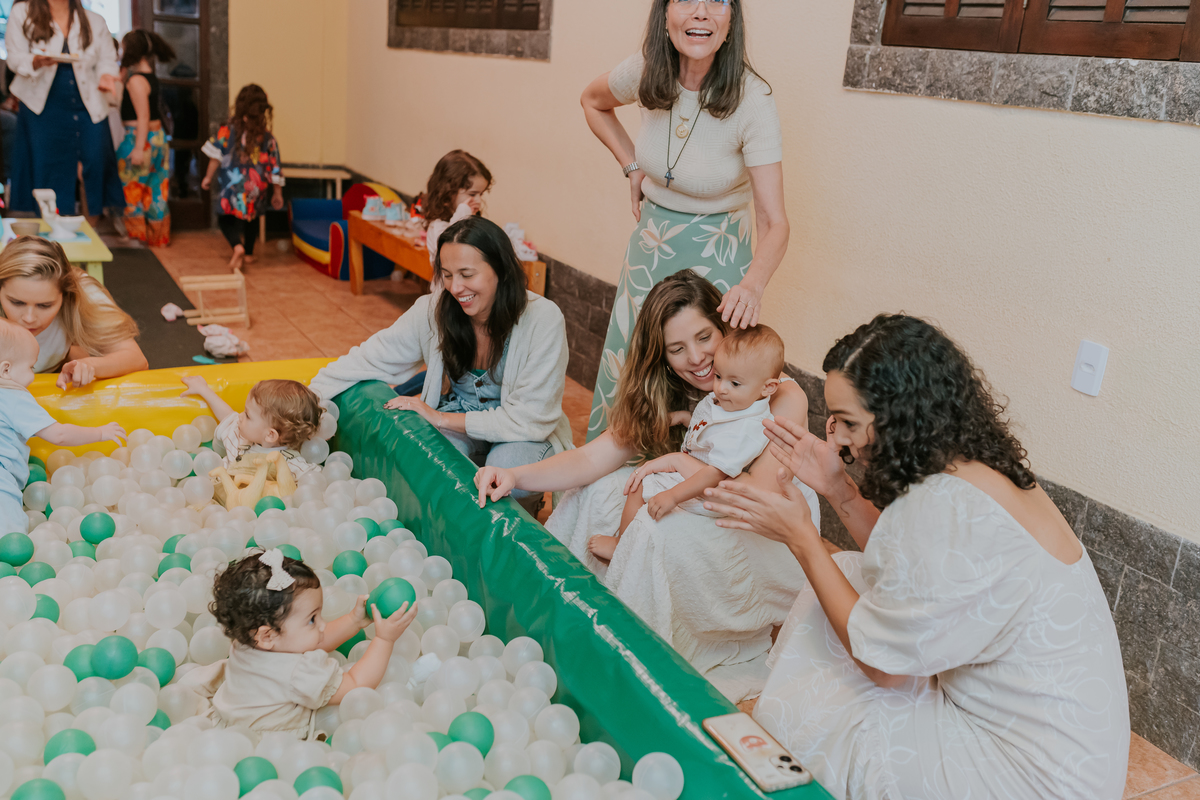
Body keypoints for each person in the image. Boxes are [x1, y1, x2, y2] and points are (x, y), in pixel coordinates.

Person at [702, 314, 1129, 799]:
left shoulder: (946, 508)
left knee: (827, 706)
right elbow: (914, 572)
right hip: (1081, 753)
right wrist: (839, 489)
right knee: (846, 574)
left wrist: (802, 537)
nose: (836, 436)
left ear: (900, 418)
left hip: (1031, 778)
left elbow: (884, 665)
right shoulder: (975, 468)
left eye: (848, 422)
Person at [475, 271, 817, 700]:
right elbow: (589, 459)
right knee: (602, 490)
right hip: (706, 499)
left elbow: (752, 498)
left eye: (704, 337)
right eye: (677, 348)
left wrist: (675, 460)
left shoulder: (776, 395)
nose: (696, 359)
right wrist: (514, 476)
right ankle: (568, 614)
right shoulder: (680, 390)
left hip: (758, 528)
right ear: (663, 355)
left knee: (651, 530)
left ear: (725, 327)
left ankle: (630, 657)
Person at [581, 0, 789, 439]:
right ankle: (608, 490)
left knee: (709, 379)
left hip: (721, 255)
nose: (700, 13)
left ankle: (683, 492)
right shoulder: (646, 70)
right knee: (634, 368)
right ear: (665, 15)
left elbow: (776, 221)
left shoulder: (752, 99)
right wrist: (631, 165)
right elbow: (593, 101)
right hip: (651, 248)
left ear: (730, 22)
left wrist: (752, 285)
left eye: (716, 1)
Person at [309, 216, 571, 515]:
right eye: (447, 274)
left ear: (500, 270)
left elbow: (530, 418)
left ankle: (522, 520)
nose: (456, 287)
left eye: (467, 274)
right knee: (429, 462)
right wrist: (311, 395)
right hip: (460, 416)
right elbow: (372, 356)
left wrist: (440, 419)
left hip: (522, 434)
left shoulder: (543, 320)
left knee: (506, 471)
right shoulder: (434, 310)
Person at [590, 324, 785, 561]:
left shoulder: (748, 428)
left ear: (768, 387)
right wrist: (683, 418)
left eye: (734, 383)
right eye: (719, 376)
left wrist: (673, 495)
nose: (721, 389)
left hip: (707, 491)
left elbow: (714, 475)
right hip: (697, 474)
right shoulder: (737, 402)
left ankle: (620, 546)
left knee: (641, 484)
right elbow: (713, 427)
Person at [183, 549, 418, 740]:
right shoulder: (298, 674)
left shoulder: (248, 639)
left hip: (229, 723)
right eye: (312, 619)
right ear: (267, 636)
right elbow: (356, 684)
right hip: (270, 742)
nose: (323, 625)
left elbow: (315, 640)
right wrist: (384, 639)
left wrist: (354, 620)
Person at [0, 319, 126, 534]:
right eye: (31, 367)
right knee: (11, 536)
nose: (33, 375)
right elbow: (58, 434)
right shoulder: (13, 396)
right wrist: (100, 432)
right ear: (6, 370)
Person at [5, 0, 124, 223]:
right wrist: (36, 61)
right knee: (47, 170)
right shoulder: (23, 12)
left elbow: (108, 61)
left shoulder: (95, 20)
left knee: (95, 164)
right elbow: (14, 57)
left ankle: (91, 235)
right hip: (42, 108)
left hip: (90, 106)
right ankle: (51, 242)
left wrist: (108, 76)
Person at [0, 237, 147, 389]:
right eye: (16, 303)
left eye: (44, 305)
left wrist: (90, 365)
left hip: (53, 379)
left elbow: (136, 358)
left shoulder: (83, 292)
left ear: (65, 295)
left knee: (79, 355)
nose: (29, 318)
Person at [180, 376, 322, 507]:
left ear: (270, 435)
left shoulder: (290, 464)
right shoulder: (239, 436)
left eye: (247, 415)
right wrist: (203, 389)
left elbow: (314, 482)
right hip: (218, 504)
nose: (240, 416)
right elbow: (227, 415)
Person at [201, 84, 284, 271]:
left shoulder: (227, 130)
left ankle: (236, 246)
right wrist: (277, 194)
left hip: (232, 186)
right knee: (251, 218)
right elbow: (275, 168)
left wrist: (207, 177)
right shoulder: (268, 138)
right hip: (256, 188)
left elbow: (216, 156)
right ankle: (248, 254)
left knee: (224, 218)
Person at [116, 29, 175, 246]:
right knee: (156, 190)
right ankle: (158, 239)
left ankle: (136, 241)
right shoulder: (151, 77)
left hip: (139, 139)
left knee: (132, 192)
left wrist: (139, 148)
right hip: (158, 139)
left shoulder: (136, 81)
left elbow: (143, 116)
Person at [420, 149, 492, 268]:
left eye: (481, 194)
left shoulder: (467, 216)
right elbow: (451, 248)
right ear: (448, 193)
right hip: (448, 286)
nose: (478, 201)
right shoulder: (437, 226)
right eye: (472, 194)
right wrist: (463, 213)